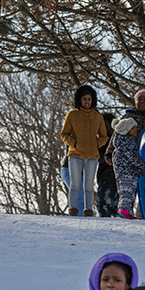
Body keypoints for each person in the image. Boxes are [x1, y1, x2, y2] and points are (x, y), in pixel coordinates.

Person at [60, 84, 108, 216]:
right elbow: (64, 134)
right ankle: (73, 210)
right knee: (75, 185)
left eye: (89, 99)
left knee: (88, 186)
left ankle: (88, 211)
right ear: (79, 100)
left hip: (92, 156)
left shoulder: (97, 116)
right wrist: (73, 143)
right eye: (84, 99)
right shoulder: (72, 115)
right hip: (75, 154)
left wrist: (96, 144)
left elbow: (104, 136)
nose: (87, 102)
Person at [104, 89, 145, 164]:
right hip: (128, 155)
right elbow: (117, 134)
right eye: (139, 99)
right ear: (135, 102)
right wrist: (109, 153)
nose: (142, 102)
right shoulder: (128, 117)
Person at [110, 117, 143, 219]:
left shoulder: (121, 143)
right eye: (133, 128)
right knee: (127, 192)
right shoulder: (127, 142)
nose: (135, 130)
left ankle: (127, 211)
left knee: (127, 191)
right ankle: (123, 211)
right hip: (127, 172)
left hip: (123, 172)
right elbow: (133, 157)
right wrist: (143, 165)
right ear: (126, 130)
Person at [95, 113, 119, 217]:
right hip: (103, 175)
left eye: (106, 124)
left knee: (106, 205)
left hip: (112, 175)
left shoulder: (115, 138)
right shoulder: (100, 139)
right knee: (105, 205)